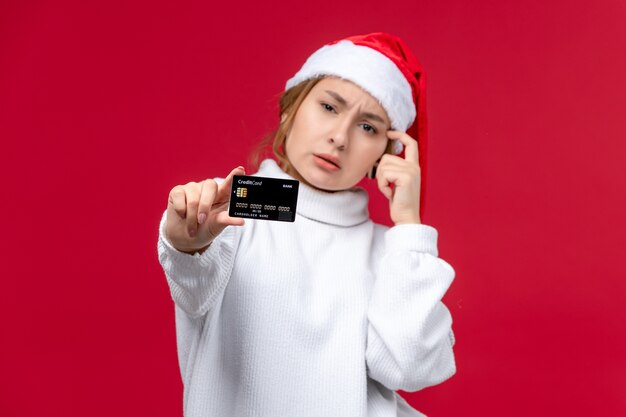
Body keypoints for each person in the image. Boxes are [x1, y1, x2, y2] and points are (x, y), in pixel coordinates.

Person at [157, 32, 457, 417]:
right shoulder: (230, 206)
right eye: (329, 107)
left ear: (384, 154)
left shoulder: (395, 253)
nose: (339, 137)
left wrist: (409, 226)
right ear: (290, 109)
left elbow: (410, 367)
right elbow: (192, 282)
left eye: (368, 127)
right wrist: (185, 244)